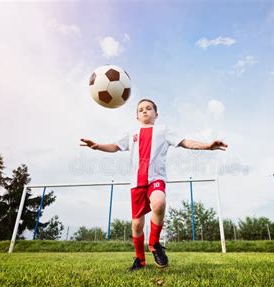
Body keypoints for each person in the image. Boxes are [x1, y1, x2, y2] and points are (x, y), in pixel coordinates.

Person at [80, 98, 227, 271]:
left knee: (159, 203)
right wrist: (98, 146)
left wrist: (208, 146)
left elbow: (185, 142)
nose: (144, 111)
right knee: (137, 225)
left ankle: (154, 243)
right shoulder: (131, 132)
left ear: (156, 114)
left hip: (156, 178)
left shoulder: (163, 131)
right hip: (136, 183)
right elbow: (115, 146)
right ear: (136, 116)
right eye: (141, 109)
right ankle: (140, 260)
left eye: (149, 108)